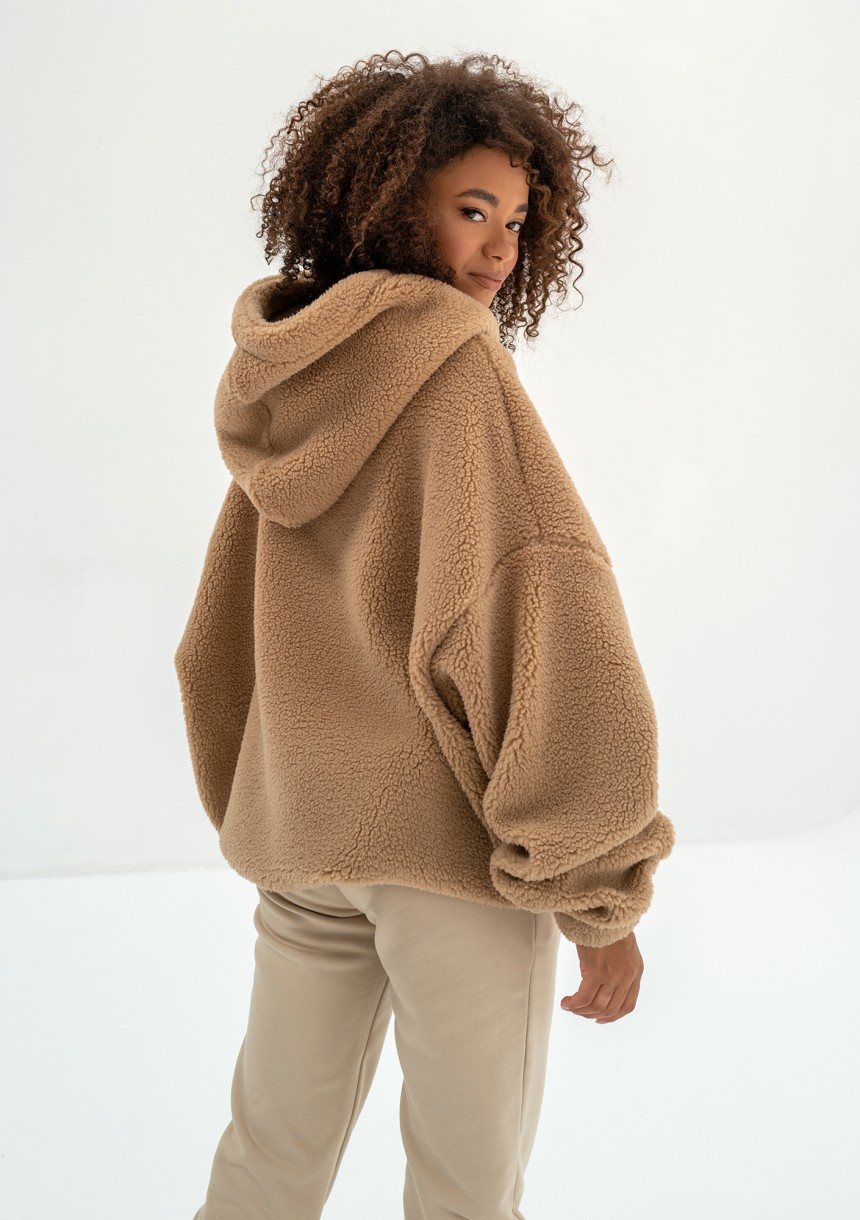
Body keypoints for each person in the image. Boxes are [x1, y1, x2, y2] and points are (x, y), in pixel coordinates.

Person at [174, 49, 676, 1220]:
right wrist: (598, 892)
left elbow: (216, 636)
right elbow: (540, 619)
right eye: (470, 210)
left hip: (304, 840)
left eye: (516, 219)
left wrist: (273, 794)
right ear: (390, 202)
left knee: (265, 1163)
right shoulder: (452, 368)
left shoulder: (283, 382)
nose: (499, 249)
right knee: (463, 1193)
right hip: (449, 865)